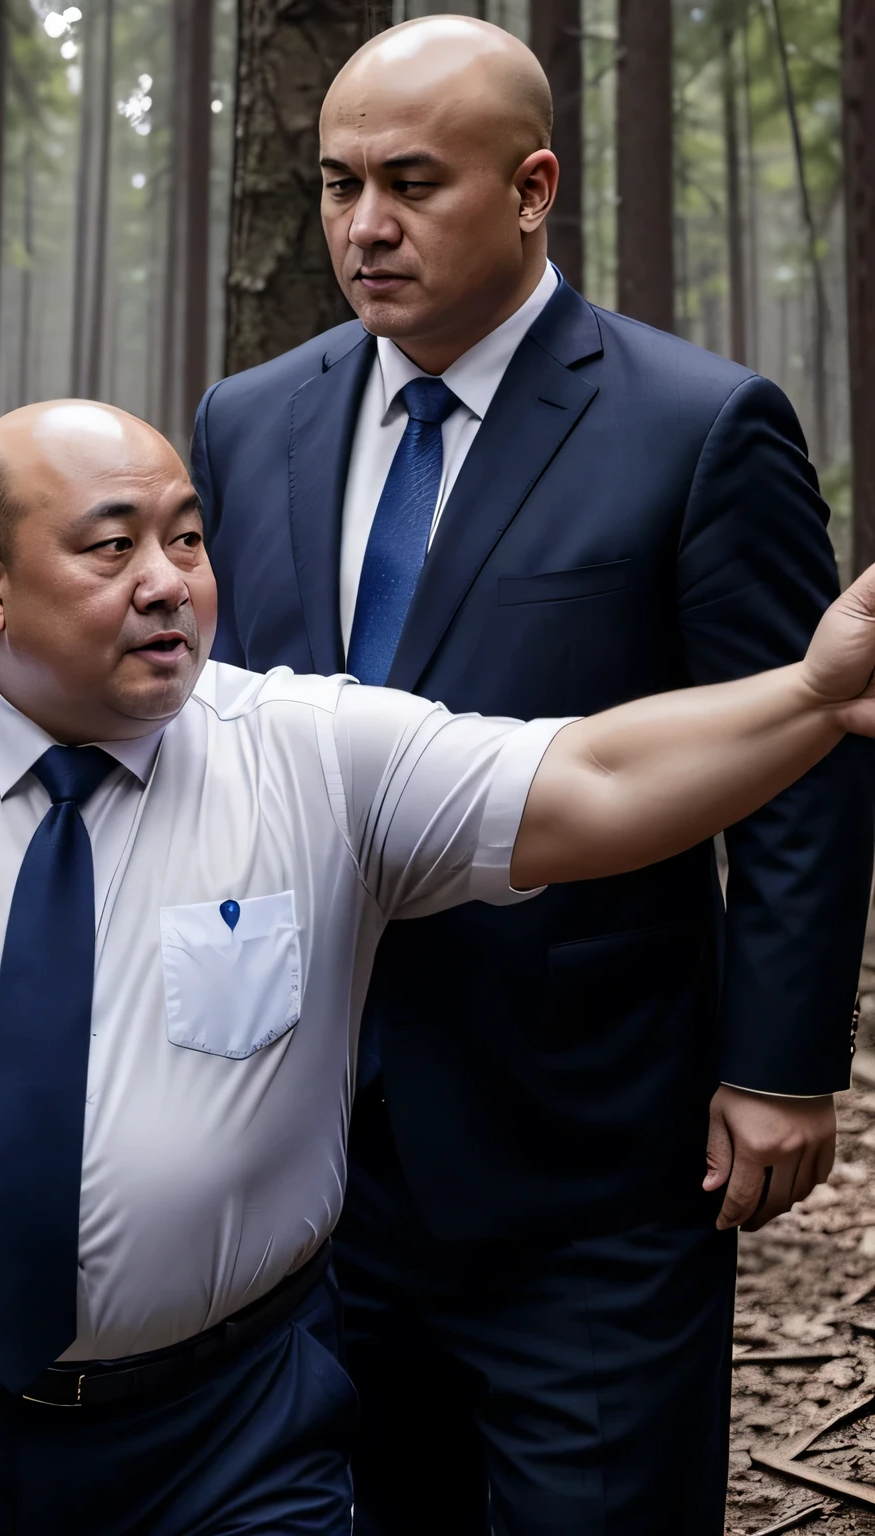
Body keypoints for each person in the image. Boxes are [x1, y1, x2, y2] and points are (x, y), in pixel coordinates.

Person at [0, 401, 873, 1536]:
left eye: (188, 540)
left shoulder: (311, 754)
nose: (167, 583)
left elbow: (597, 779)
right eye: (111, 546)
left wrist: (813, 695)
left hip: (232, 1438)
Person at [191, 15, 875, 1535]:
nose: (365, 226)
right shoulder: (248, 423)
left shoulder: (697, 428)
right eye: (338, 183)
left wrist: (780, 1062)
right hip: (301, 1153)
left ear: (533, 186)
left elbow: (808, 742)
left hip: (589, 1159)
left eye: (413, 183)